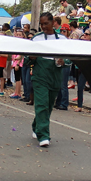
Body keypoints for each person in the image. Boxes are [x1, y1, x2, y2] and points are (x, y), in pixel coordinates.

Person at [29, 12, 66, 148]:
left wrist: (64, 61)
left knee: (49, 105)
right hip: (40, 75)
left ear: (53, 23)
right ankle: (44, 135)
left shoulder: (62, 39)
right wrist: (30, 58)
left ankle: (36, 126)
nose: (43, 26)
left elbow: (69, 58)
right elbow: (27, 59)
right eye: (41, 24)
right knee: (42, 104)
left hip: (55, 76)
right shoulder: (37, 39)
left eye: (46, 23)